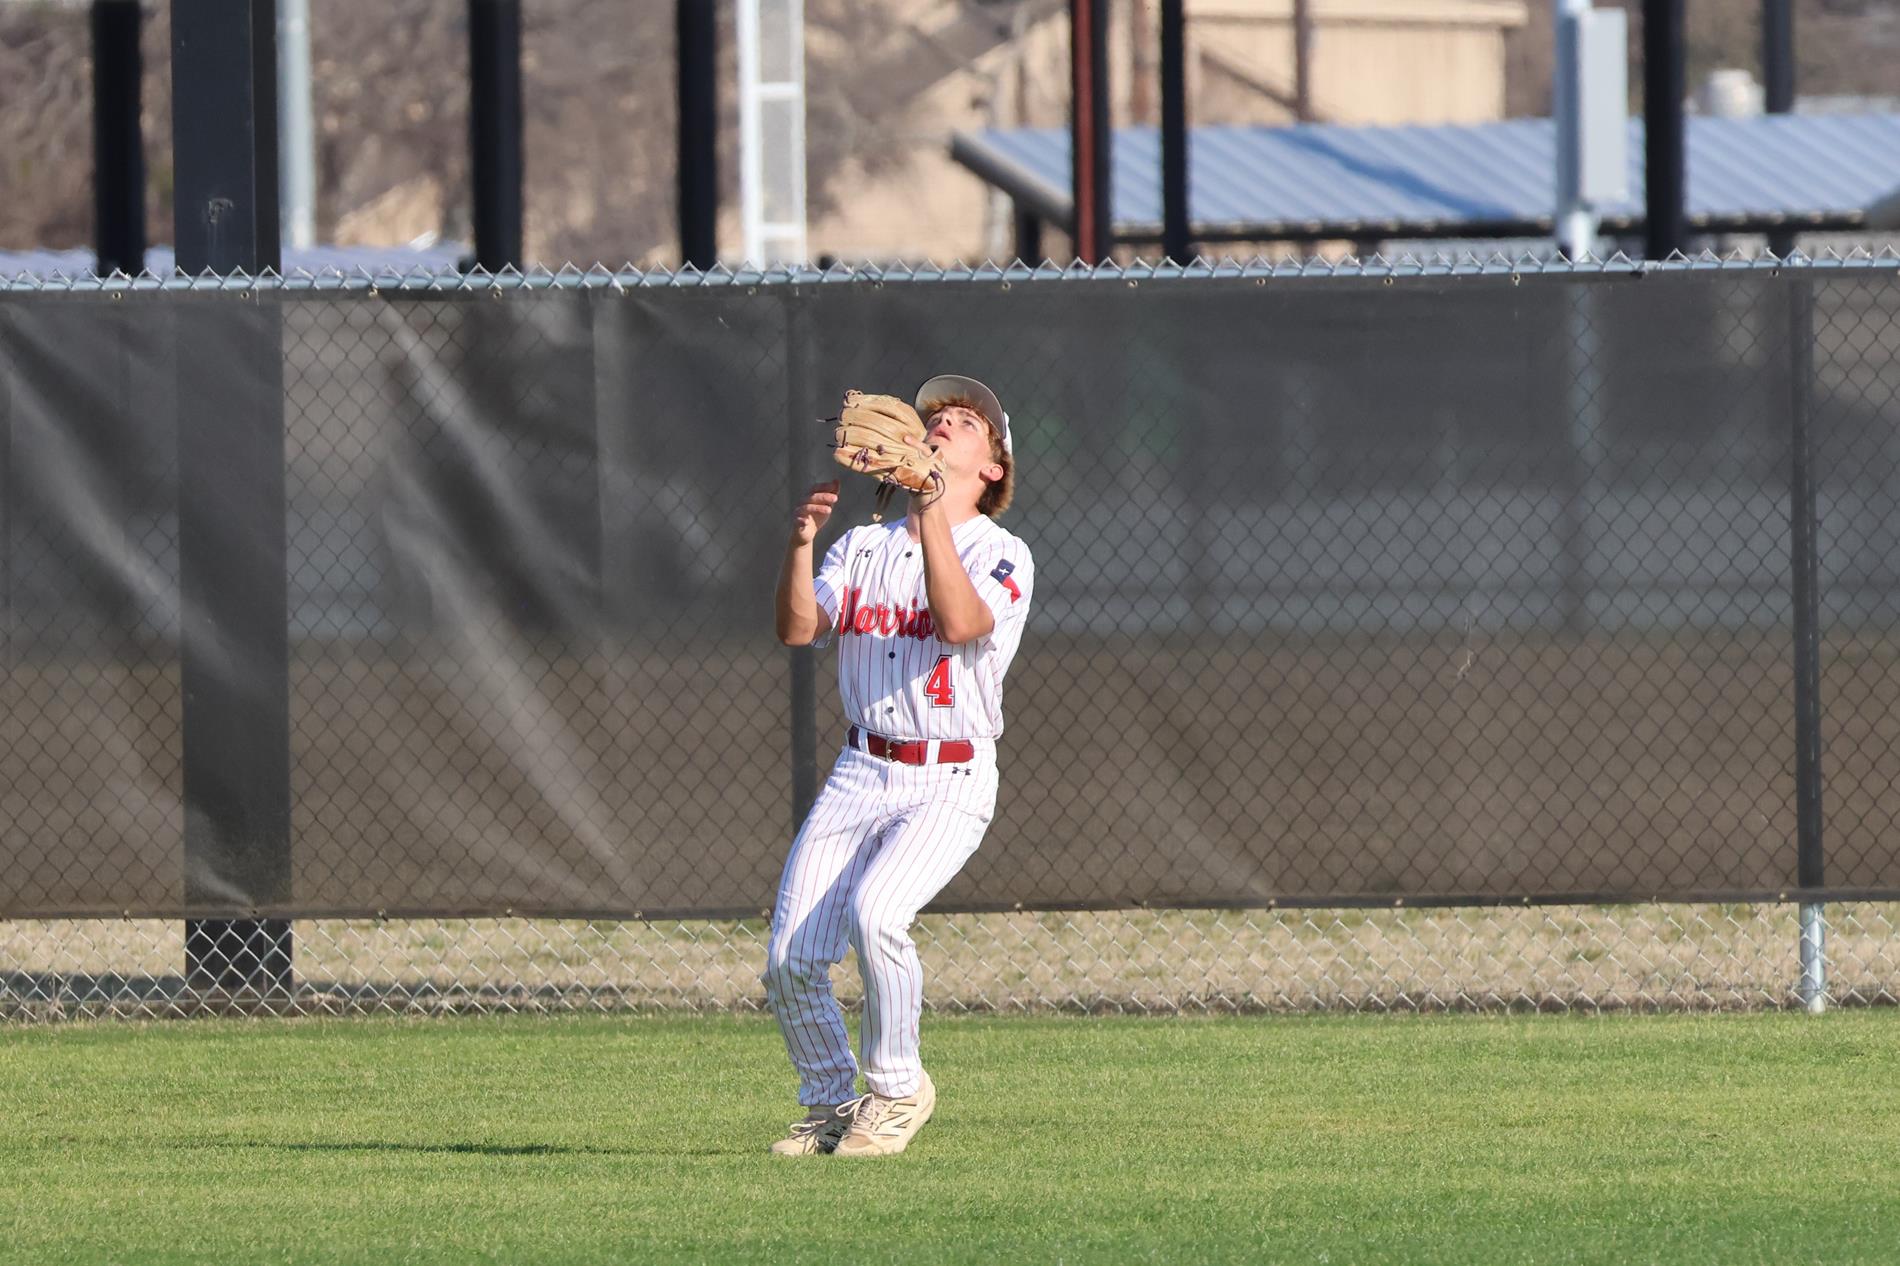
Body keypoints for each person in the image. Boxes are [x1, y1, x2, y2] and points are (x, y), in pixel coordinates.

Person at [764, 374, 1034, 1157]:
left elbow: (956, 622)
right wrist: (800, 544)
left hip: (947, 776)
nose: (943, 423)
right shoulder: (862, 547)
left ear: (993, 468)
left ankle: (898, 1088)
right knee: (789, 960)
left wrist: (927, 509)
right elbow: (797, 629)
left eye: (966, 422)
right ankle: (829, 1103)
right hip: (862, 768)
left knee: (878, 916)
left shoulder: (1003, 554)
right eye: (935, 417)